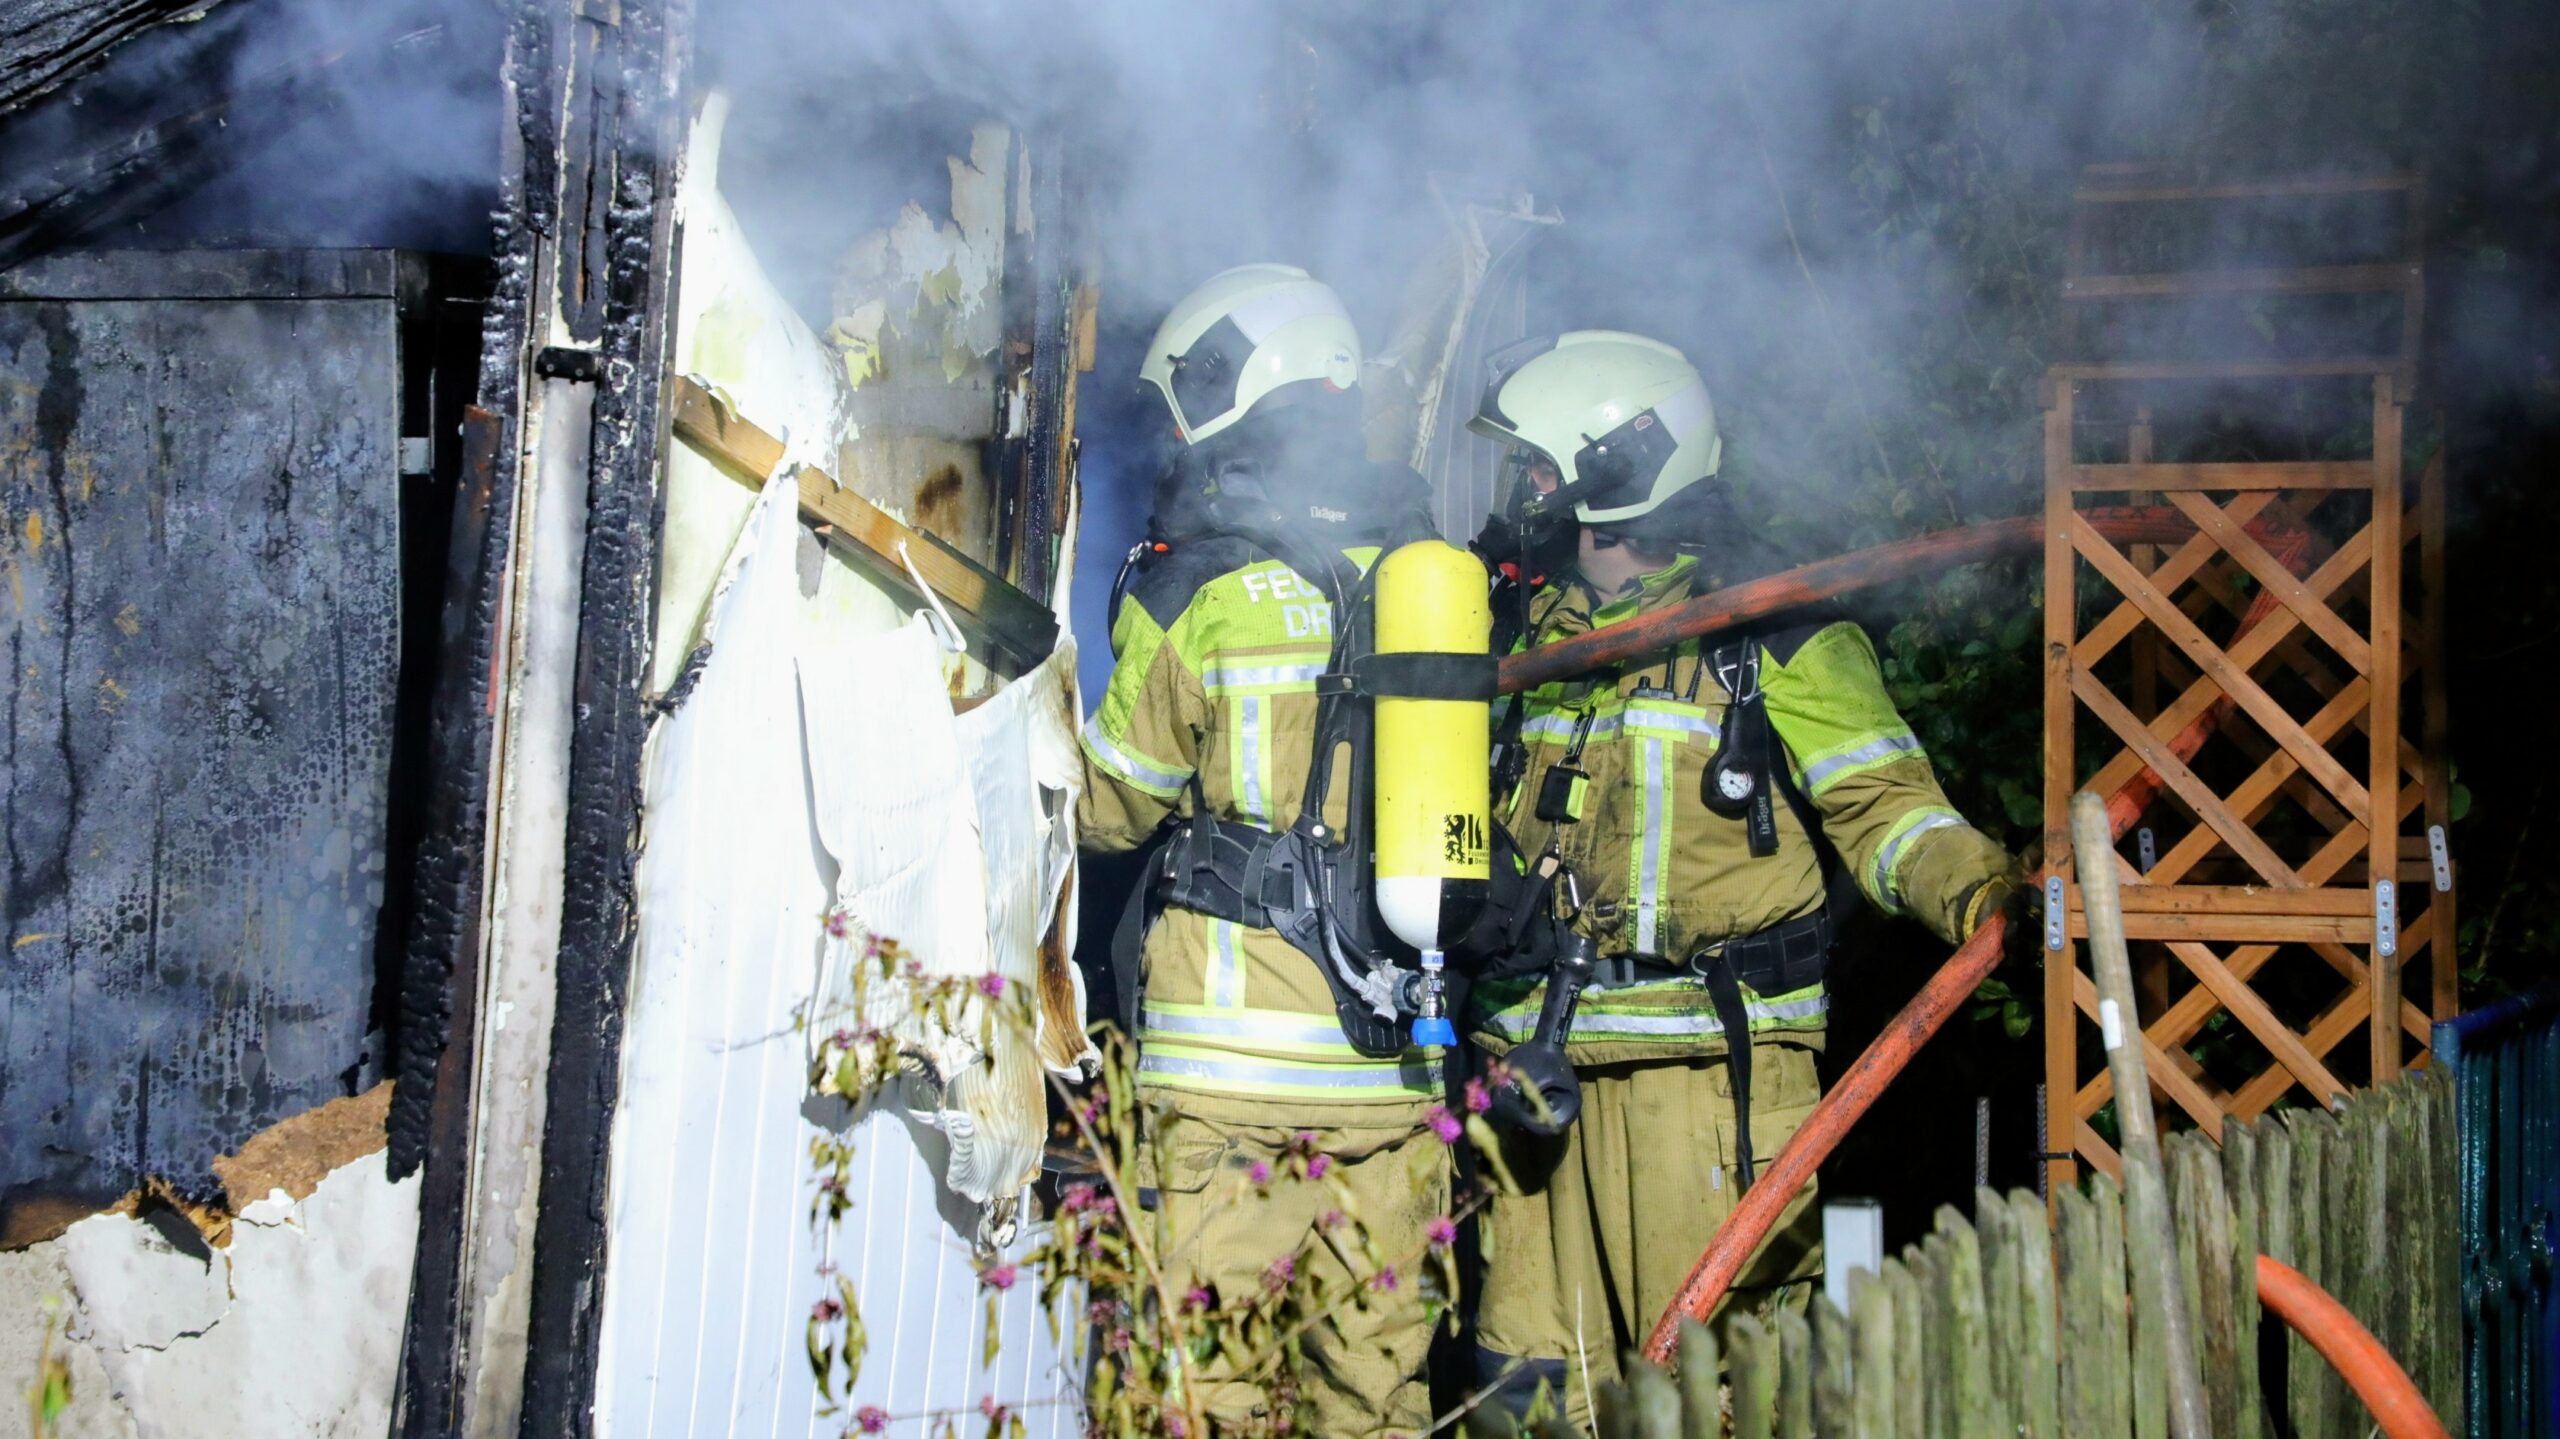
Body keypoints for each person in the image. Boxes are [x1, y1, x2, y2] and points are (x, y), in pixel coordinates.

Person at [1461, 331, 2020, 1424]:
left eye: (1538, 464)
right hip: (1531, 1079)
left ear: (1612, 471)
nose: (1523, 488)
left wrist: (1991, 898)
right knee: (1530, 1390)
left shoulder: (1772, 635)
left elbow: (1891, 813)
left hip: (1706, 1085)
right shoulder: (1525, 638)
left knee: (1712, 1394)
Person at [1077, 263, 1447, 1437]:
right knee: (1372, 1401)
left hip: (1228, 1077)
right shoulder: (1430, 582)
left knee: (1206, 1395)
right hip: (1394, 1072)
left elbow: (1110, 810)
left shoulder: (1202, 586)